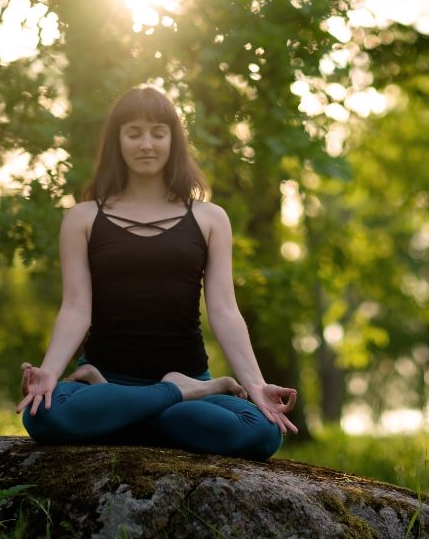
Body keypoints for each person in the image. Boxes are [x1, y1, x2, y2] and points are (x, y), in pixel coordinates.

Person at [16, 85, 299, 461]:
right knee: (43, 417)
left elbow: (225, 310)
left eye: (157, 133)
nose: (146, 144)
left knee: (263, 432)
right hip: (111, 380)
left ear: (173, 141)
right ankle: (175, 395)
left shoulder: (209, 218)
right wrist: (49, 372)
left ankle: (133, 410)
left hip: (178, 378)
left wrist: (256, 384)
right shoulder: (83, 218)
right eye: (133, 133)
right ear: (117, 142)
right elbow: (75, 308)